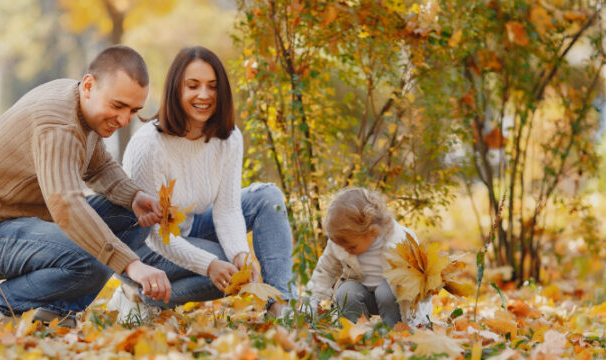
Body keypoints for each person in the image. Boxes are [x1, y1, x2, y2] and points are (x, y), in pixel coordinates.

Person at [0, 45, 170, 328]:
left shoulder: (78, 101)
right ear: (89, 86)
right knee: (92, 257)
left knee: (133, 216)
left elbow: (98, 167)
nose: (124, 120)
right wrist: (131, 264)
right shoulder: (58, 125)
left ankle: (57, 312)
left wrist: (134, 196)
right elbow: (66, 206)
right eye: (117, 105)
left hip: (25, 222)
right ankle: (2, 302)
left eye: (133, 110)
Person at [112, 46, 295, 320]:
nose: (204, 95)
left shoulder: (229, 138)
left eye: (212, 86)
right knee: (225, 267)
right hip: (141, 248)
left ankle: (280, 304)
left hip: (188, 227)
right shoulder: (148, 147)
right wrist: (210, 264)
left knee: (266, 198)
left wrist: (241, 256)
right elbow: (155, 235)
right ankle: (137, 292)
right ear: (176, 90)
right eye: (193, 86)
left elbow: (228, 210)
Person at [305, 188, 431, 327]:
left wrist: (417, 321)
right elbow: (325, 271)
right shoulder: (343, 241)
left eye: (352, 247)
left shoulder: (399, 241)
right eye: (342, 246)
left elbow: (418, 286)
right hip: (364, 294)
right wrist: (309, 305)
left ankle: (395, 331)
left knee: (385, 292)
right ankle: (355, 331)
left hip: (398, 300)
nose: (346, 250)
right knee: (346, 292)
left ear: (372, 231)